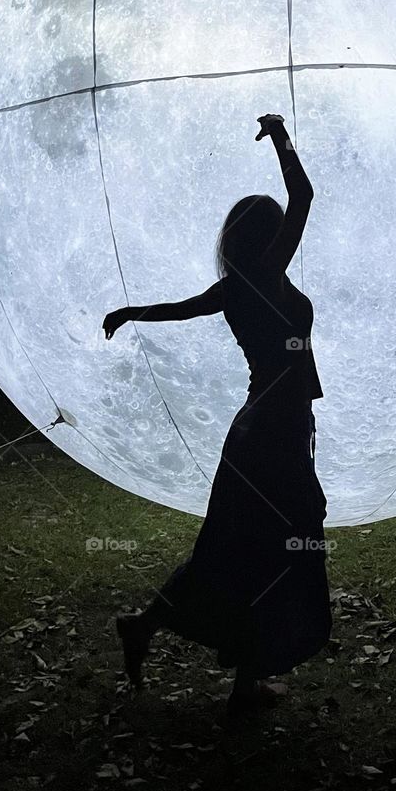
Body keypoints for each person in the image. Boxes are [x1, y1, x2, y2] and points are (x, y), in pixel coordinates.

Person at [102, 112, 332, 717]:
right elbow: (305, 194)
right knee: (280, 545)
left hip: (259, 428)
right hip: (274, 429)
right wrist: (280, 134)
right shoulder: (263, 277)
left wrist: (129, 313)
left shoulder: (234, 286)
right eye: (280, 230)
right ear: (269, 239)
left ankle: (156, 632)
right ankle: (244, 679)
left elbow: (178, 309)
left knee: (241, 546)